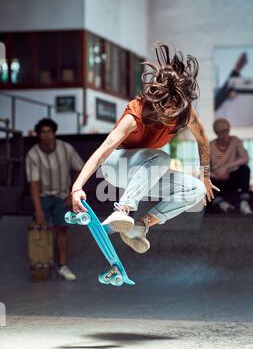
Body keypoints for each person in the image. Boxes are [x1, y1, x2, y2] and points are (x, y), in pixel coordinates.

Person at [71, 43, 219, 253]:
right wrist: (77, 187)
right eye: (165, 110)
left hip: (145, 174)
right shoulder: (136, 114)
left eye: (174, 111)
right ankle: (121, 210)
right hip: (117, 166)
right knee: (161, 158)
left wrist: (205, 175)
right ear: (157, 102)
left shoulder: (185, 115)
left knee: (196, 189)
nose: (170, 116)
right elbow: (102, 152)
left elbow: (203, 139)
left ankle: (139, 227)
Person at [26, 118, 84, 281]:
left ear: (54, 133)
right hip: (44, 196)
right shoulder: (33, 154)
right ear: (38, 135)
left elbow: (81, 168)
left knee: (62, 228)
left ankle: (63, 266)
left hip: (62, 196)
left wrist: (72, 193)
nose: (46, 135)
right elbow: (34, 185)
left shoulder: (66, 148)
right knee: (40, 228)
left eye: (49, 131)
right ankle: (41, 265)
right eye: (42, 132)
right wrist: (38, 210)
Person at [210, 118, 253, 214]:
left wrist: (227, 167)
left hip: (233, 178)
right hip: (218, 181)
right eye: (220, 132)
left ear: (229, 130)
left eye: (226, 131)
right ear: (216, 133)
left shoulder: (235, 141)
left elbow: (245, 158)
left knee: (245, 169)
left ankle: (244, 203)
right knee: (204, 179)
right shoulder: (210, 146)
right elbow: (204, 169)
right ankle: (222, 204)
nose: (224, 134)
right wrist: (216, 175)